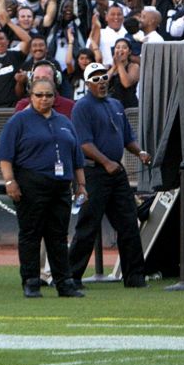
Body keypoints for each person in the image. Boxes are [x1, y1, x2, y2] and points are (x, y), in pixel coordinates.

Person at [0, 77, 87, 299]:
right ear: (31, 96)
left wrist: (81, 184)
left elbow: (76, 157)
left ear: (55, 97)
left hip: (60, 186)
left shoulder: (65, 122)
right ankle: (31, 281)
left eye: (48, 95)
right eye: (39, 95)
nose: (44, 99)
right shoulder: (18, 121)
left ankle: (64, 282)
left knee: (58, 236)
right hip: (30, 184)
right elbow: (5, 156)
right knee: (31, 234)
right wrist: (10, 181)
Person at [67, 63, 152, 290]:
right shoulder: (82, 107)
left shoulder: (115, 104)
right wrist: (106, 162)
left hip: (116, 171)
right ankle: (71, 276)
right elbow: (83, 143)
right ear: (87, 84)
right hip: (94, 171)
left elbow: (126, 137)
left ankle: (135, 277)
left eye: (104, 77)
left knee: (128, 223)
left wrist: (140, 152)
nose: (101, 82)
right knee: (88, 224)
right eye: (95, 79)